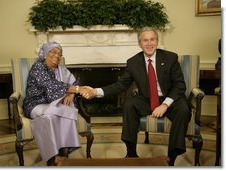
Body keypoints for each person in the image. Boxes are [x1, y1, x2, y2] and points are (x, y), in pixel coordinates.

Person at [80, 27, 191, 166]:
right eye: (145, 40)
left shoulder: (170, 57)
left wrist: (165, 104)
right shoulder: (133, 62)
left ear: (157, 41)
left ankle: (171, 158)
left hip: (170, 98)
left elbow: (180, 85)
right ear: (140, 44)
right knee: (129, 105)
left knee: (183, 110)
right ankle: (131, 153)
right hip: (146, 98)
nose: (149, 43)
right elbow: (120, 85)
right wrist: (95, 91)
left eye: (152, 39)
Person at [23, 41, 85, 166]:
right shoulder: (38, 68)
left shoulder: (62, 70)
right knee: (60, 114)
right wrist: (79, 90)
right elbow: (53, 86)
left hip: (54, 104)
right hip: (36, 103)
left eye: (60, 53)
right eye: (53, 52)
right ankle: (51, 157)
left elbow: (75, 81)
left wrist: (71, 94)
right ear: (45, 54)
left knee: (59, 113)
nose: (57, 55)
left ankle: (64, 151)